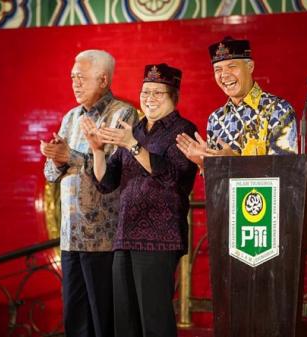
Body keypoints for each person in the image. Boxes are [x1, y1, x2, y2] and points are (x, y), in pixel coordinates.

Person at [81, 63, 197, 337]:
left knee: (155, 322)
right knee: (126, 322)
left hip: (160, 239)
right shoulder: (136, 129)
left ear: (173, 97)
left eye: (158, 93)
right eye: (146, 92)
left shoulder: (183, 130)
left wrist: (132, 145)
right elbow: (106, 182)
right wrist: (97, 150)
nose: (149, 98)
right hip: (126, 237)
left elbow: (171, 177)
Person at [41, 49, 137, 337]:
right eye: (72, 77)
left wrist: (69, 155)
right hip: (71, 236)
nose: (75, 84)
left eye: (82, 78)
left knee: (104, 322)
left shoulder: (122, 113)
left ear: (104, 80)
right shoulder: (70, 117)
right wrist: (56, 159)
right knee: (76, 322)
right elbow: (49, 175)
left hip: (103, 239)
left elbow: (113, 174)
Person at [176, 37, 298, 170]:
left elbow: (286, 171)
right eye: (218, 69)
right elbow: (216, 181)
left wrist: (235, 162)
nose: (224, 75)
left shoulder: (278, 110)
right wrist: (203, 163)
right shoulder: (216, 119)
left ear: (250, 67)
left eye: (232, 66)